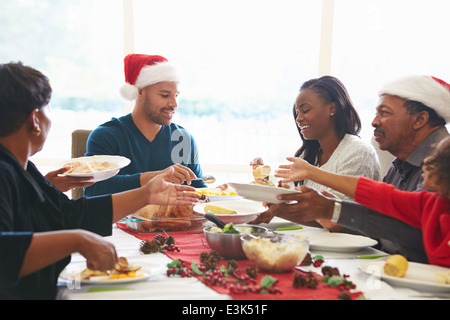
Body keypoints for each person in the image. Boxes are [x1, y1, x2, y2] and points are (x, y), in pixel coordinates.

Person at [0, 62, 200, 300]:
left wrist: (146, 194)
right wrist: (77, 239)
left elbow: (70, 215)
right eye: (49, 108)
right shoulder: (4, 171)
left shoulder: (23, 169)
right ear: (35, 119)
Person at [273, 75, 450, 263]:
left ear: (420, 119)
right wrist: (331, 213)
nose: (374, 122)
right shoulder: (399, 164)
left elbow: (417, 229)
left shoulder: (442, 164)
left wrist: (334, 210)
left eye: (385, 113)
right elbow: (381, 229)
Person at [275, 135, 450, 267]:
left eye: (438, 160)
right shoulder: (429, 203)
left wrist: (313, 174)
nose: (426, 161)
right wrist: (332, 209)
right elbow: (379, 194)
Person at [252, 76, 381, 230]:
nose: (299, 119)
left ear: (332, 108)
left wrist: (278, 208)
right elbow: (292, 202)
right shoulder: (309, 155)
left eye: (305, 110)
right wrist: (265, 185)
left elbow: (337, 222)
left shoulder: (358, 152)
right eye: (297, 112)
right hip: (313, 241)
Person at [84, 54, 207, 197]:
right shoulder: (107, 135)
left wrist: (216, 193)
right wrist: (152, 177)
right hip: (122, 219)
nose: (174, 104)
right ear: (140, 91)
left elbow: (198, 187)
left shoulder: (182, 138)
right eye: (165, 95)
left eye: (176, 95)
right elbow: (93, 190)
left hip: (174, 219)